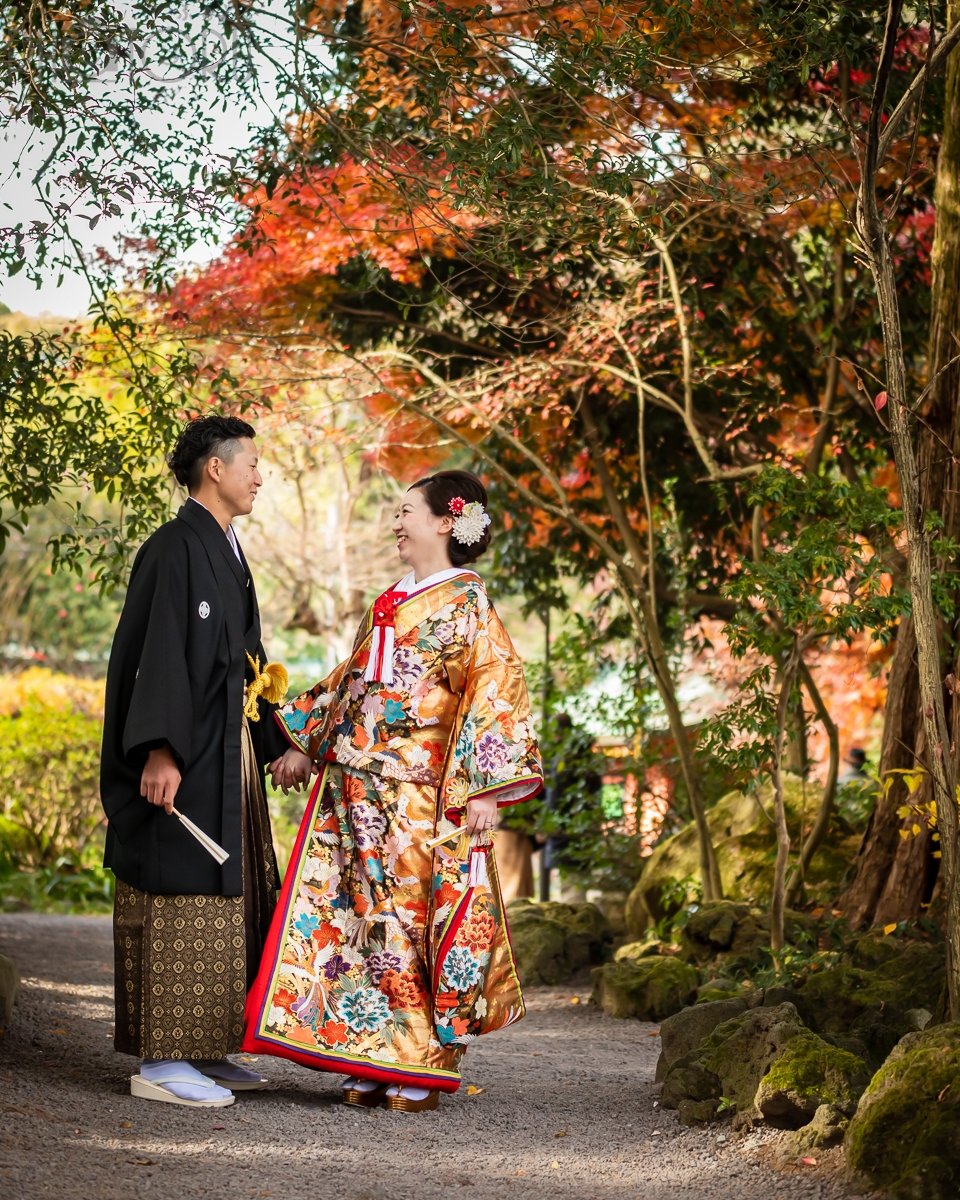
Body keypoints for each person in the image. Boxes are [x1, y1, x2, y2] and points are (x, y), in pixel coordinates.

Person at [243, 469, 542, 1112]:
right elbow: (351, 682)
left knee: (413, 916)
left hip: (422, 791)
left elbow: (495, 692)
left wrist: (485, 790)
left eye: (407, 511)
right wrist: (301, 741)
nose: (396, 523)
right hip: (356, 786)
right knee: (362, 916)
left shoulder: (468, 605)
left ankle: (423, 1056)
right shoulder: (391, 597)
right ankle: (371, 1051)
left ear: (445, 521)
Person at [100, 415, 290, 1109]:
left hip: (222, 748)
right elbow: (158, 655)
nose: (260, 477)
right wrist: (158, 749)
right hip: (185, 753)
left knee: (226, 887)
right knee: (180, 880)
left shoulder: (226, 549)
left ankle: (205, 1045)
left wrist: (276, 743)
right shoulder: (173, 547)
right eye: (252, 465)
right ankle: (161, 1059)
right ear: (217, 468)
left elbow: (248, 663)